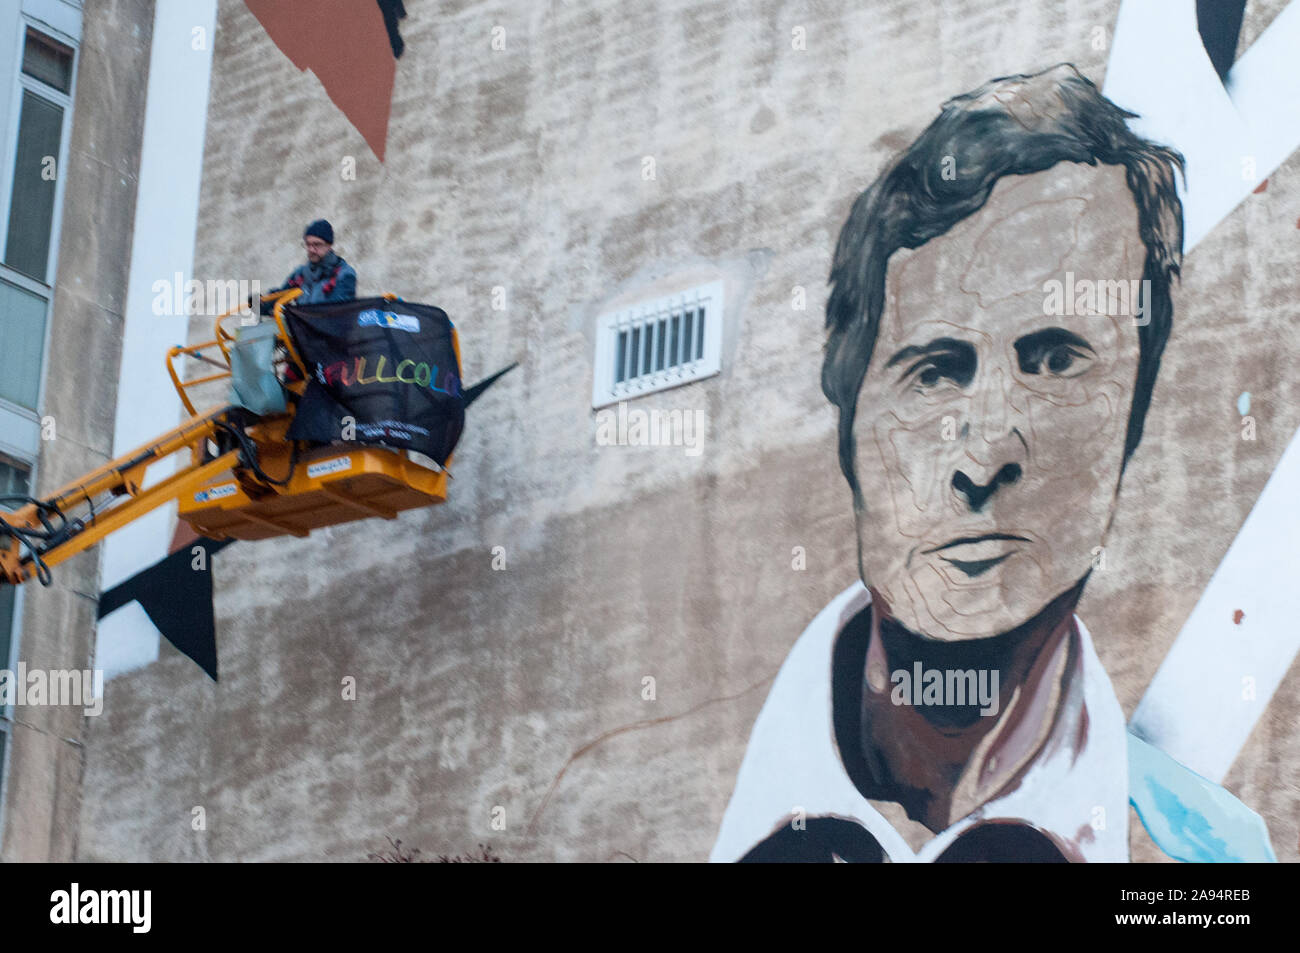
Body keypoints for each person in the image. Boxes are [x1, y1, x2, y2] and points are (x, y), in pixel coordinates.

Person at [711, 65, 1274, 863]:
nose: (986, 453)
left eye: (1053, 360)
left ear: (1133, 416)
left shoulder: (1207, 865)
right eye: (934, 369)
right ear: (849, 423)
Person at [262, 219, 357, 313]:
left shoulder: (345, 274)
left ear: (329, 245)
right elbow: (279, 298)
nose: (311, 249)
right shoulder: (299, 274)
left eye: (317, 244)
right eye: (308, 244)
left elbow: (335, 312)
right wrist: (260, 304)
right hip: (301, 327)